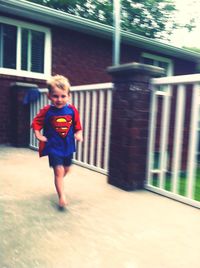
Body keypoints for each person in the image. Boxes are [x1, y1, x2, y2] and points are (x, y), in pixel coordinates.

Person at [31, 75, 83, 208]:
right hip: (54, 147)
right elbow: (36, 122)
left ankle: (58, 180)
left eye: (63, 96)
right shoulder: (47, 111)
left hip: (68, 147)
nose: (59, 100)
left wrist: (79, 134)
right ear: (49, 96)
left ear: (68, 96)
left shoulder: (72, 110)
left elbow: (77, 125)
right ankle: (62, 197)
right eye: (55, 96)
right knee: (59, 171)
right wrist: (38, 134)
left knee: (66, 170)